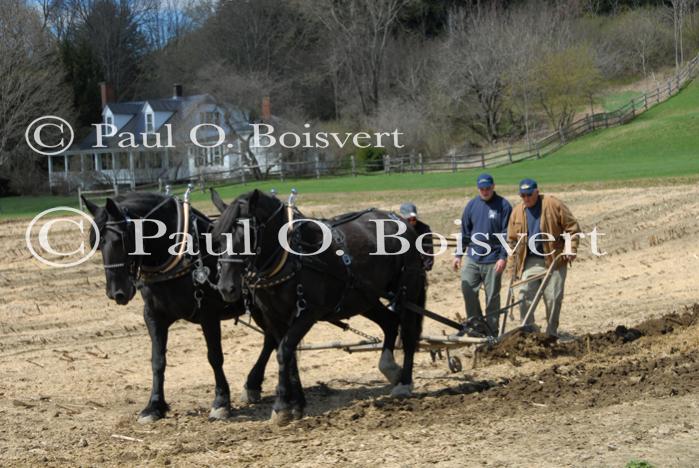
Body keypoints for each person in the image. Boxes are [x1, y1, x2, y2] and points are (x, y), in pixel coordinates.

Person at [507, 178, 581, 337]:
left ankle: (551, 333)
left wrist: (570, 248)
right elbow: (512, 241)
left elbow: (572, 228)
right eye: (522, 195)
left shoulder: (553, 205)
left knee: (553, 298)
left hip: (553, 260)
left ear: (537, 191)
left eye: (529, 194)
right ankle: (530, 331)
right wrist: (512, 267)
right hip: (530, 261)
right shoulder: (517, 212)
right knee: (524, 297)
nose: (526, 198)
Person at [452, 174, 512, 336]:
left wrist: (502, 257)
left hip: (493, 259)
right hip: (473, 257)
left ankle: (492, 331)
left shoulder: (504, 206)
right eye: (481, 189)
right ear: (478, 188)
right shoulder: (472, 205)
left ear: (493, 186)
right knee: (468, 289)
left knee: (492, 297)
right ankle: (476, 326)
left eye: (487, 188)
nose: (484, 191)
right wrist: (458, 254)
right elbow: (465, 232)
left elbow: (507, 234)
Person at [399, 202, 433, 271]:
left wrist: (427, 265)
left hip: (417, 266)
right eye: (408, 219)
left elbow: (428, 249)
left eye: (414, 219)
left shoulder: (424, 229)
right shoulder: (395, 229)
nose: (412, 222)